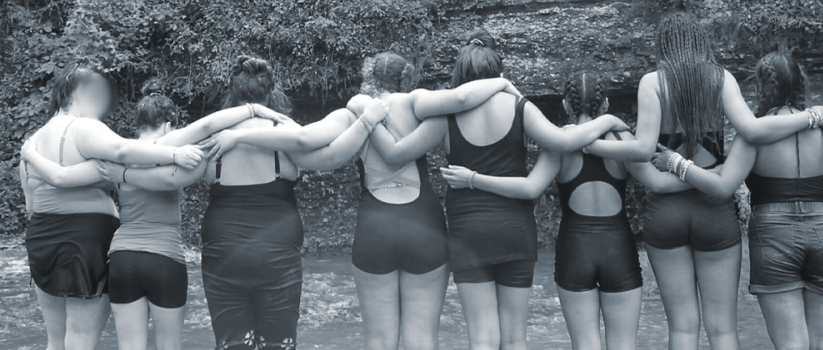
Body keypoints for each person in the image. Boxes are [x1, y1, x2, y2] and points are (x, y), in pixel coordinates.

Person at [201, 51, 520, 350]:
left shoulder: (353, 110)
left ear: (368, 77)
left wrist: (242, 134)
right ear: (405, 77)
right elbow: (463, 98)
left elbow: (309, 141)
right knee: (422, 339)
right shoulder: (419, 103)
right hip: (424, 226)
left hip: (374, 229)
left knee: (379, 342)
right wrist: (501, 82)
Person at [576, 13, 823, 350]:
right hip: (714, 210)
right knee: (723, 330)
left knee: (683, 330)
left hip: (666, 214)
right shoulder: (720, 77)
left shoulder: (652, 82)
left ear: (664, 45)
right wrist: (812, 115)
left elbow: (642, 150)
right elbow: (753, 130)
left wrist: (589, 143)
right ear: (700, 42)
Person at [364, 31, 629, 350]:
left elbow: (396, 154)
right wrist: (609, 120)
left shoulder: (446, 116)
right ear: (497, 72)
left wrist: (364, 116)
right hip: (515, 230)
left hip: (469, 233)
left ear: (461, 75)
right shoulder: (519, 106)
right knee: (516, 338)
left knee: (482, 339)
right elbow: (563, 142)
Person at [19, 78, 291, 350]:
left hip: (122, 258)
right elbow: (207, 127)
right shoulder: (177, 148)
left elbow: (62, 177)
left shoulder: (118, 156)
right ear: (169, 125)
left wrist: (31, 155)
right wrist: (254, 110)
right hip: (165, 257)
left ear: (137, 124)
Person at [440, 71, 696, 350]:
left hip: (575, 250)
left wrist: (473, 179)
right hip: (618, 248)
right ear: (606, 104)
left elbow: (530, 188)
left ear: (565, 105)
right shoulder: (624, 139)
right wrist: (708, 179)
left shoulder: (559, 143)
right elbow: (658, 183)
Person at [652, 52, 823, 350]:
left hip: (774, 234)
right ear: (801, 83)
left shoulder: (754, 134)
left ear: (760, 88)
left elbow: (722, 187)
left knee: (791, 344)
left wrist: (676, 162)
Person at [179, 55, 388, 350]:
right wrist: (365, 122)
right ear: (270, 92)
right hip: (277, 248)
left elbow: (170, 163)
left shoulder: (213, 137)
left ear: (231, 91)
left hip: (223, 249)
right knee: (278, 344)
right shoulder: (285, 134)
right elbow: (332, 157)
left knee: (232, 344)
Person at [17, 63, 203, 350]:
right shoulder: (84, 127)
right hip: (85, 241)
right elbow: (123, 152)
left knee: (55, 340)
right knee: (81, 337)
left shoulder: (33, 143)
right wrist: (175, 152)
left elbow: (31, 206)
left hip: (41, 238)